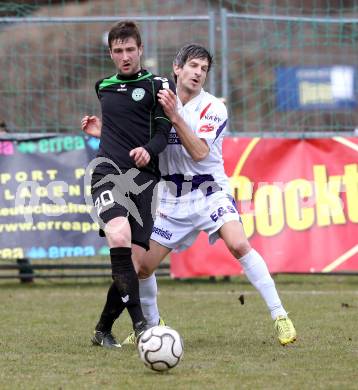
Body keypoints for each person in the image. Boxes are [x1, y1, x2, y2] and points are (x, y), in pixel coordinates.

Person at [84, 44, 297, 347]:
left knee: (238, 244)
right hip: (171, 200)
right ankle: (154, 327)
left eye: (204, 69)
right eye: (193, 66)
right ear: (177, 68)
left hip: (210, 193)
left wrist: (176, 116)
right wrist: (103, 131)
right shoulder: (155, 100)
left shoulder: (213, 108)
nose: (198, 73)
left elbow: (199, 152)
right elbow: (133, 138)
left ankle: (280, 316)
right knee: (142, 265)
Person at [81, 20, 175, 349]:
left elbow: (163, 133)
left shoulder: (159, 85)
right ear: (110, 53)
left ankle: (103, 329)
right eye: (118, 51)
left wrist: (148, 151)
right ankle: (143, 326)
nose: (125, 56)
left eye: (130, 50)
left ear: (141, 50)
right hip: (106, 173)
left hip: (143, 183)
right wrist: (101, 132)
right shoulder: (103, 85)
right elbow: (119, 129)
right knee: (117, 234)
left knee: (132, 264)